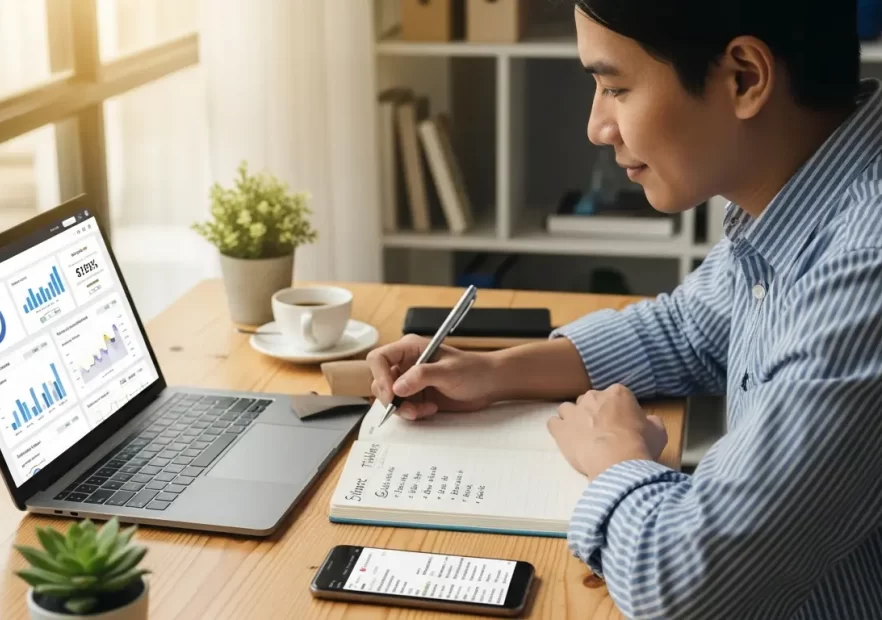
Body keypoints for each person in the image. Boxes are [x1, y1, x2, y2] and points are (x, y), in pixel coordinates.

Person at [367, 2, 882, 618]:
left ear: (744, 77)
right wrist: (496, 371)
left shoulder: (863, 269)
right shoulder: (802, 197)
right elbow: (688, 330)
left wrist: (614, 456)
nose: (596, 126)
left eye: (615, 87)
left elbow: (686, 589)